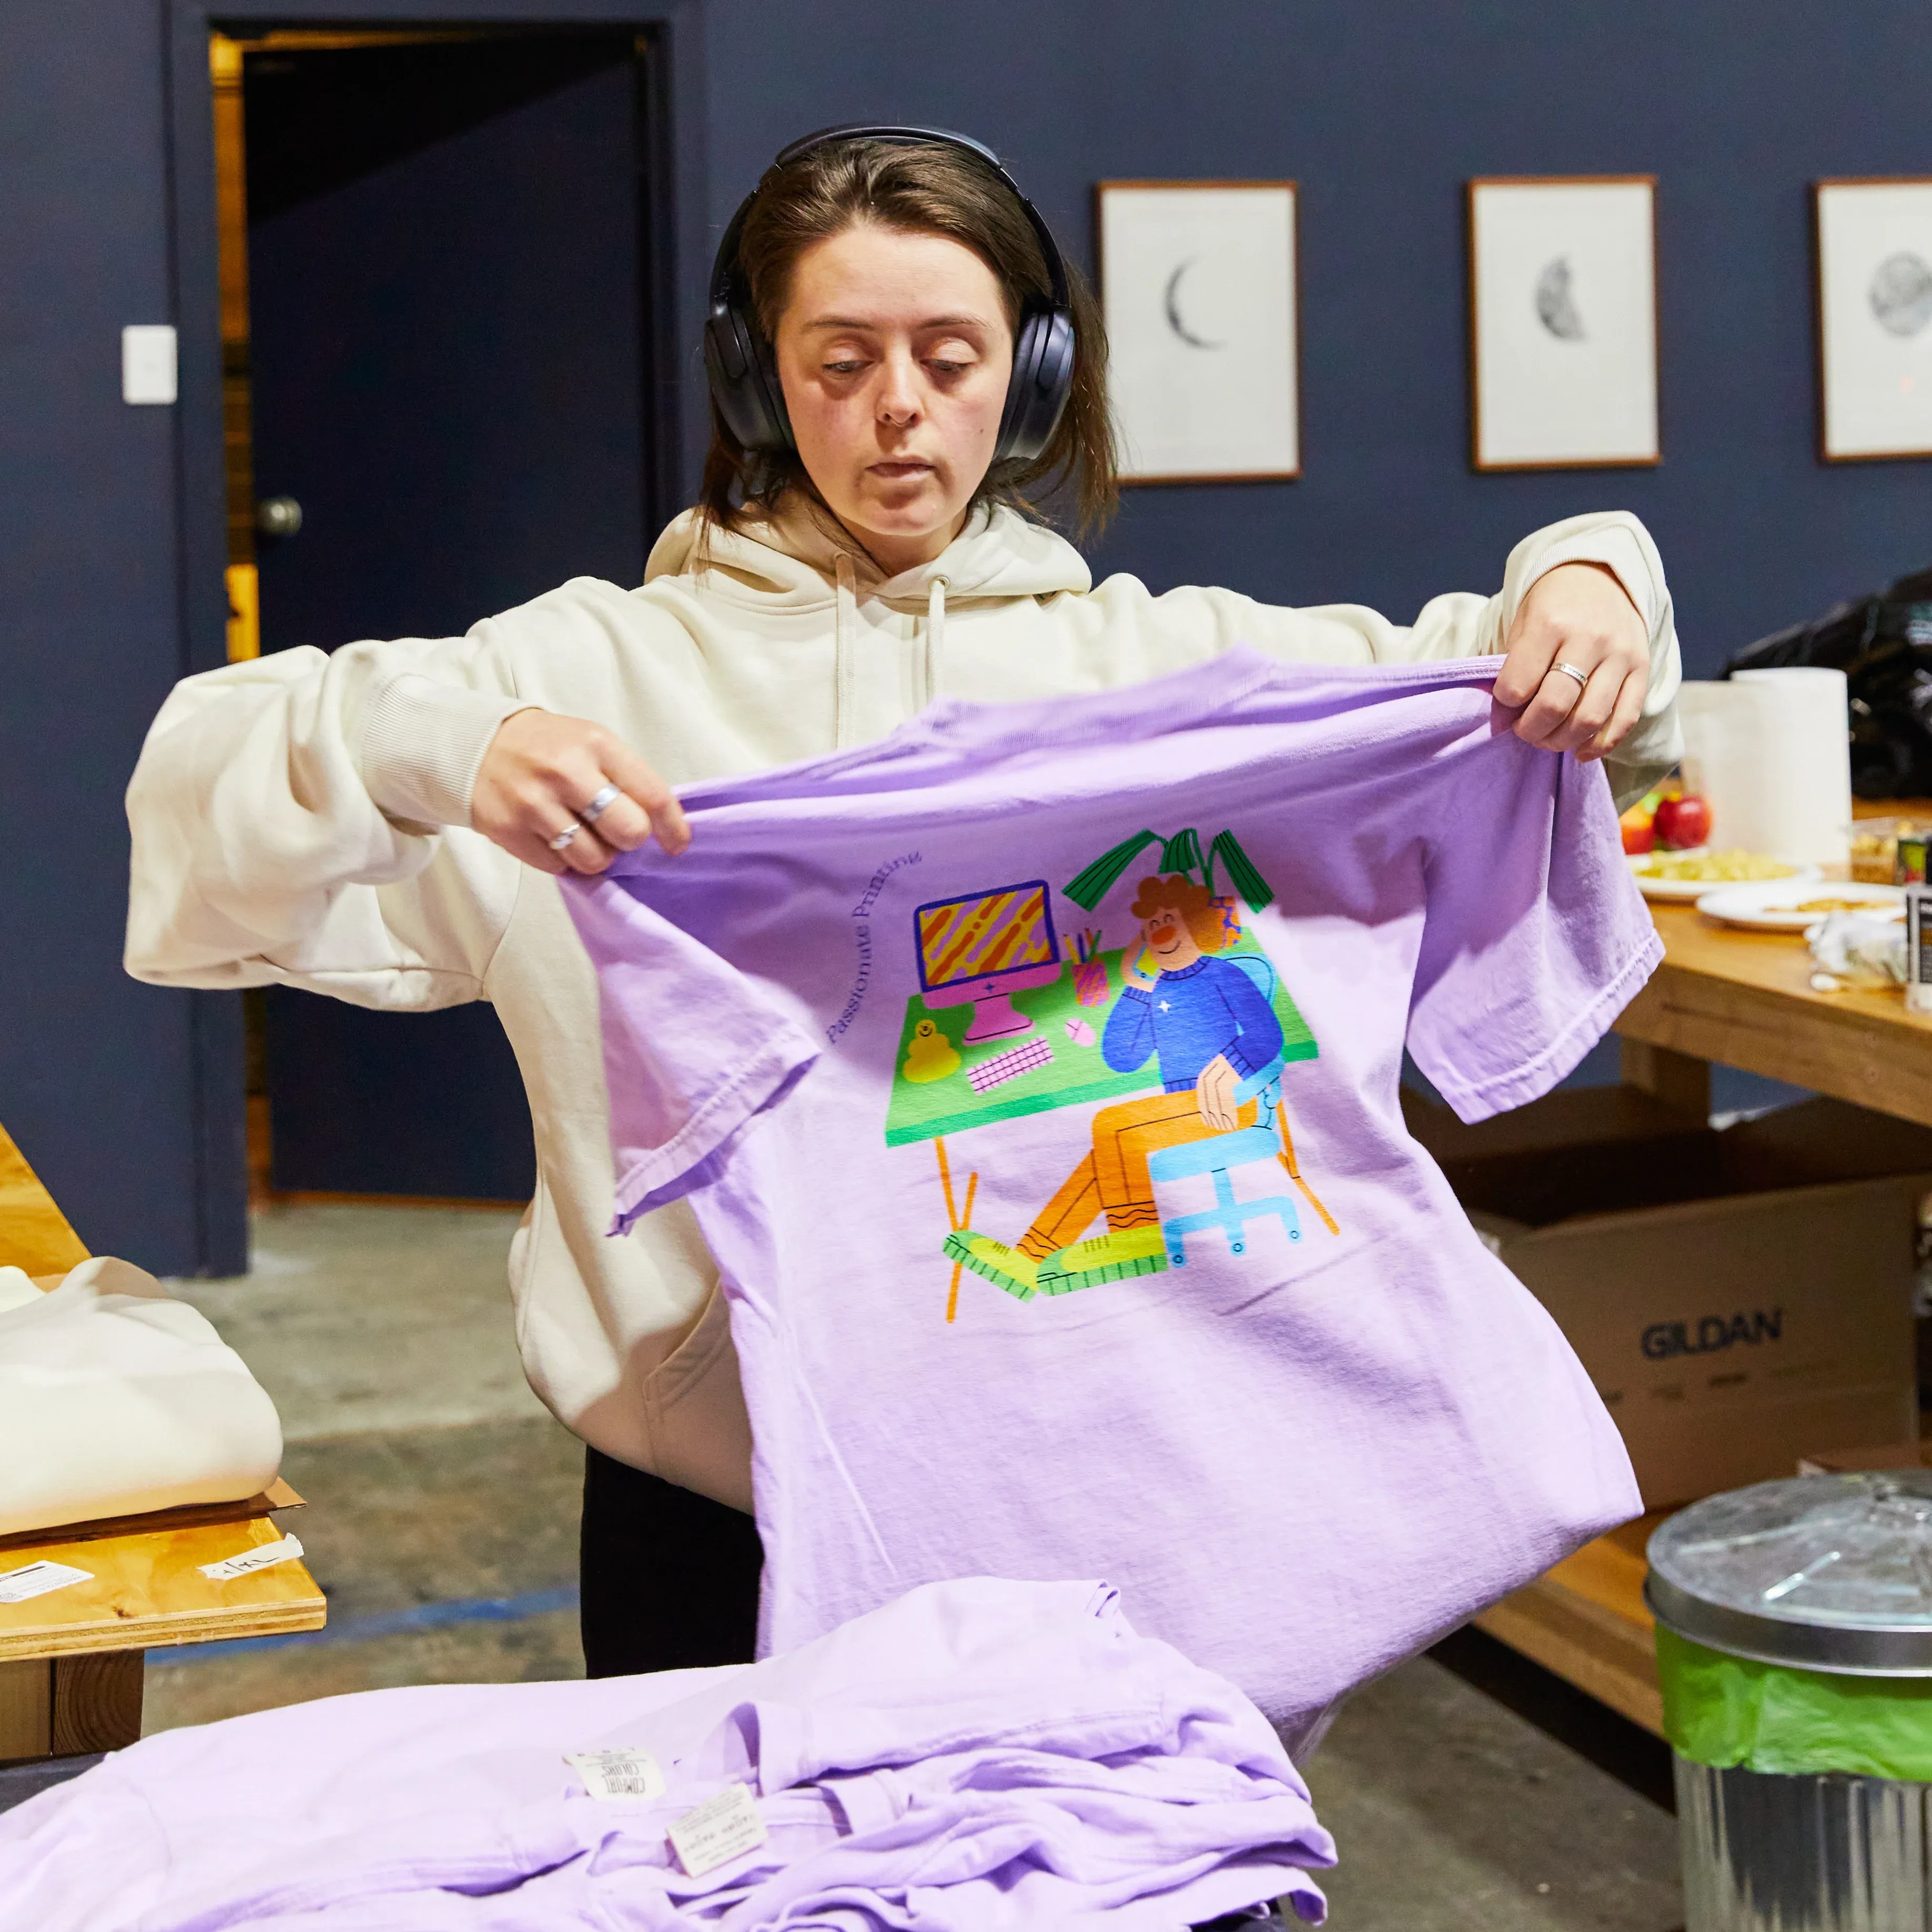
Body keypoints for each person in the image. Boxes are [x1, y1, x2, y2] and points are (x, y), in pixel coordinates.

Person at [124, 126, 1683, 1678]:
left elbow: (1510, 684)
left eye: (951, 355)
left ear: (1034, 373)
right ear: (755, 378)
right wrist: (442, 743)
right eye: (840, 358)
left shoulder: (1158, 675)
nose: (899, 411)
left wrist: (1593, 578)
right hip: (723, 1514)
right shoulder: (588, 680)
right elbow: (201, 801)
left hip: (1127, 1479)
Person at [946, 870, 1288, 1299]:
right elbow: (1122, 1058)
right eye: (1150, 925)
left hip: (1233, 1104)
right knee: (1109, 1150)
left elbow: (1267, 1036)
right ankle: (1030, 1259)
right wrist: (1135, 987)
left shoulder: (1222, 975)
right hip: (1181, 1110)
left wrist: (1228, 1066)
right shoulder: (1158, 988)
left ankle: (1133, 1243)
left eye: (1169, 919)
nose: (1160, 931)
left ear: (1195, 924)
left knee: (1112, 1124)